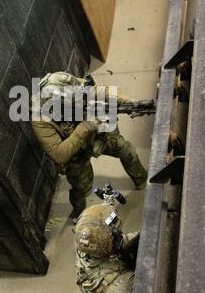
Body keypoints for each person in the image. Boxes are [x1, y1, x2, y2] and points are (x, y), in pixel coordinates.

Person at [31, 71, 147, 218]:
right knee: (82, 189)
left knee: (126, 149)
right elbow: (58, 154)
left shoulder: (67, 84)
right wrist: (86, 126)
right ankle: (79, 212)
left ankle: (143, 180)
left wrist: (127, 102)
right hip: (75, 153)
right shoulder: (39, 118)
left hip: (95, 134)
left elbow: (102, 91)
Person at [75, 202, 139, 293]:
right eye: (115, 235)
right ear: (108, 243)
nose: (120, 234)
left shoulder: (85, 250)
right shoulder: (126, 287)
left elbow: (122, 243)